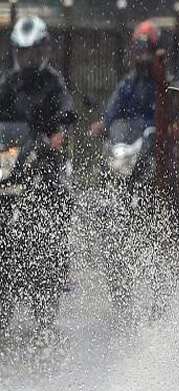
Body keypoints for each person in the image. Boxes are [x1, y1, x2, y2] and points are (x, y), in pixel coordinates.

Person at [0, 15, 77, 336]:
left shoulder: (53, 82)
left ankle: (56, 262)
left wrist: (58, 131)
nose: (28, 59)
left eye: (33, 53)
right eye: (23, 53)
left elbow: (66, 110)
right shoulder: (9, 83)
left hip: (44, 161)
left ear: (43, 51)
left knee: (57, 195)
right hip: (10, 162)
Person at [90, 20, 160, 138]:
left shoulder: (163, 84)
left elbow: (171, 116)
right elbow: (115, 106)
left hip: (153, 145)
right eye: (138, 48)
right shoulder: (130, 83)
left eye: (145, 49)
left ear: (154, 51)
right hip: (129, 144)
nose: (141, 55)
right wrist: (104, 123)